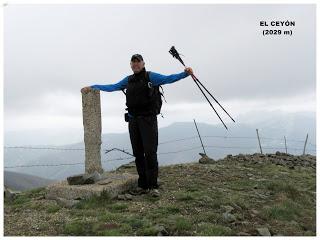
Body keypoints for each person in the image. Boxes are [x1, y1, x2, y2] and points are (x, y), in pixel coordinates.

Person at [81, 54, 193, 197]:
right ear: (131, 65)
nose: (136, 65)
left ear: (143, 63)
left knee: (150, 152)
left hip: (148, 120)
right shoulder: (128, 80)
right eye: (133, 63)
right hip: (133, 121)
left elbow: (168, 79)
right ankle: (142, 184)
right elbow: (113, 86)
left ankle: (152, 186)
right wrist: (93, 87)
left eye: (138, 62)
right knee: (138, 153)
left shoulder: (151, 77)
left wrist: (185, 74)